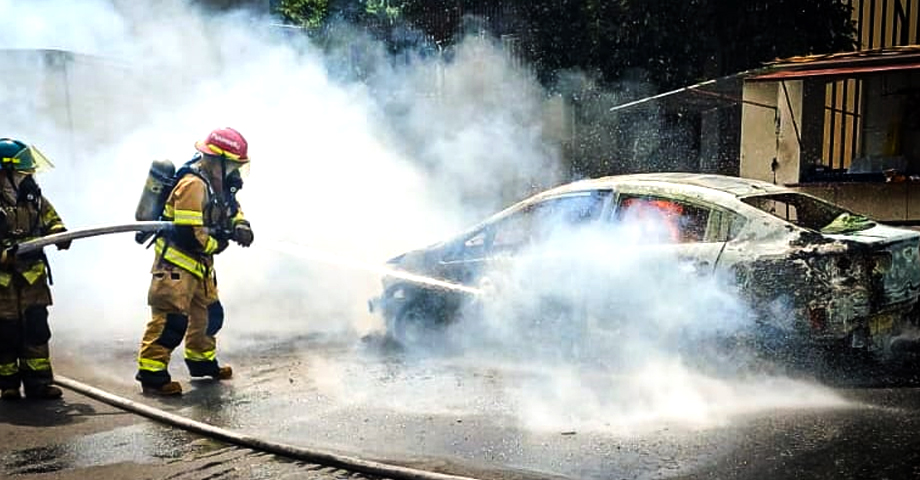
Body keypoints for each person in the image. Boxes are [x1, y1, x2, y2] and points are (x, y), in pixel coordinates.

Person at [136, 127, 254, 396]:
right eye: (233, 165)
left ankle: (201, 363)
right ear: (216, 160)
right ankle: (152, 374)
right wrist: (219, 244)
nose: (236, 172)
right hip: (175, 267)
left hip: (200, 266)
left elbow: (231, 209)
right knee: (170, 322)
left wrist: (241, 226)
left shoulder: (218, 184)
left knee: (209, 316)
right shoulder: (193, 185)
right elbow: (189, 233)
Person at [0, 138, 70, 401]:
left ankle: (39, 383)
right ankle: (8, 384)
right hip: (4, 283)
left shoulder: (34, 196)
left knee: (37, 329)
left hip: (33, 279)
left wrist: (61, 236)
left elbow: (52, 221)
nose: (26, 176)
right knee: (7, 332)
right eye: (21, 171)